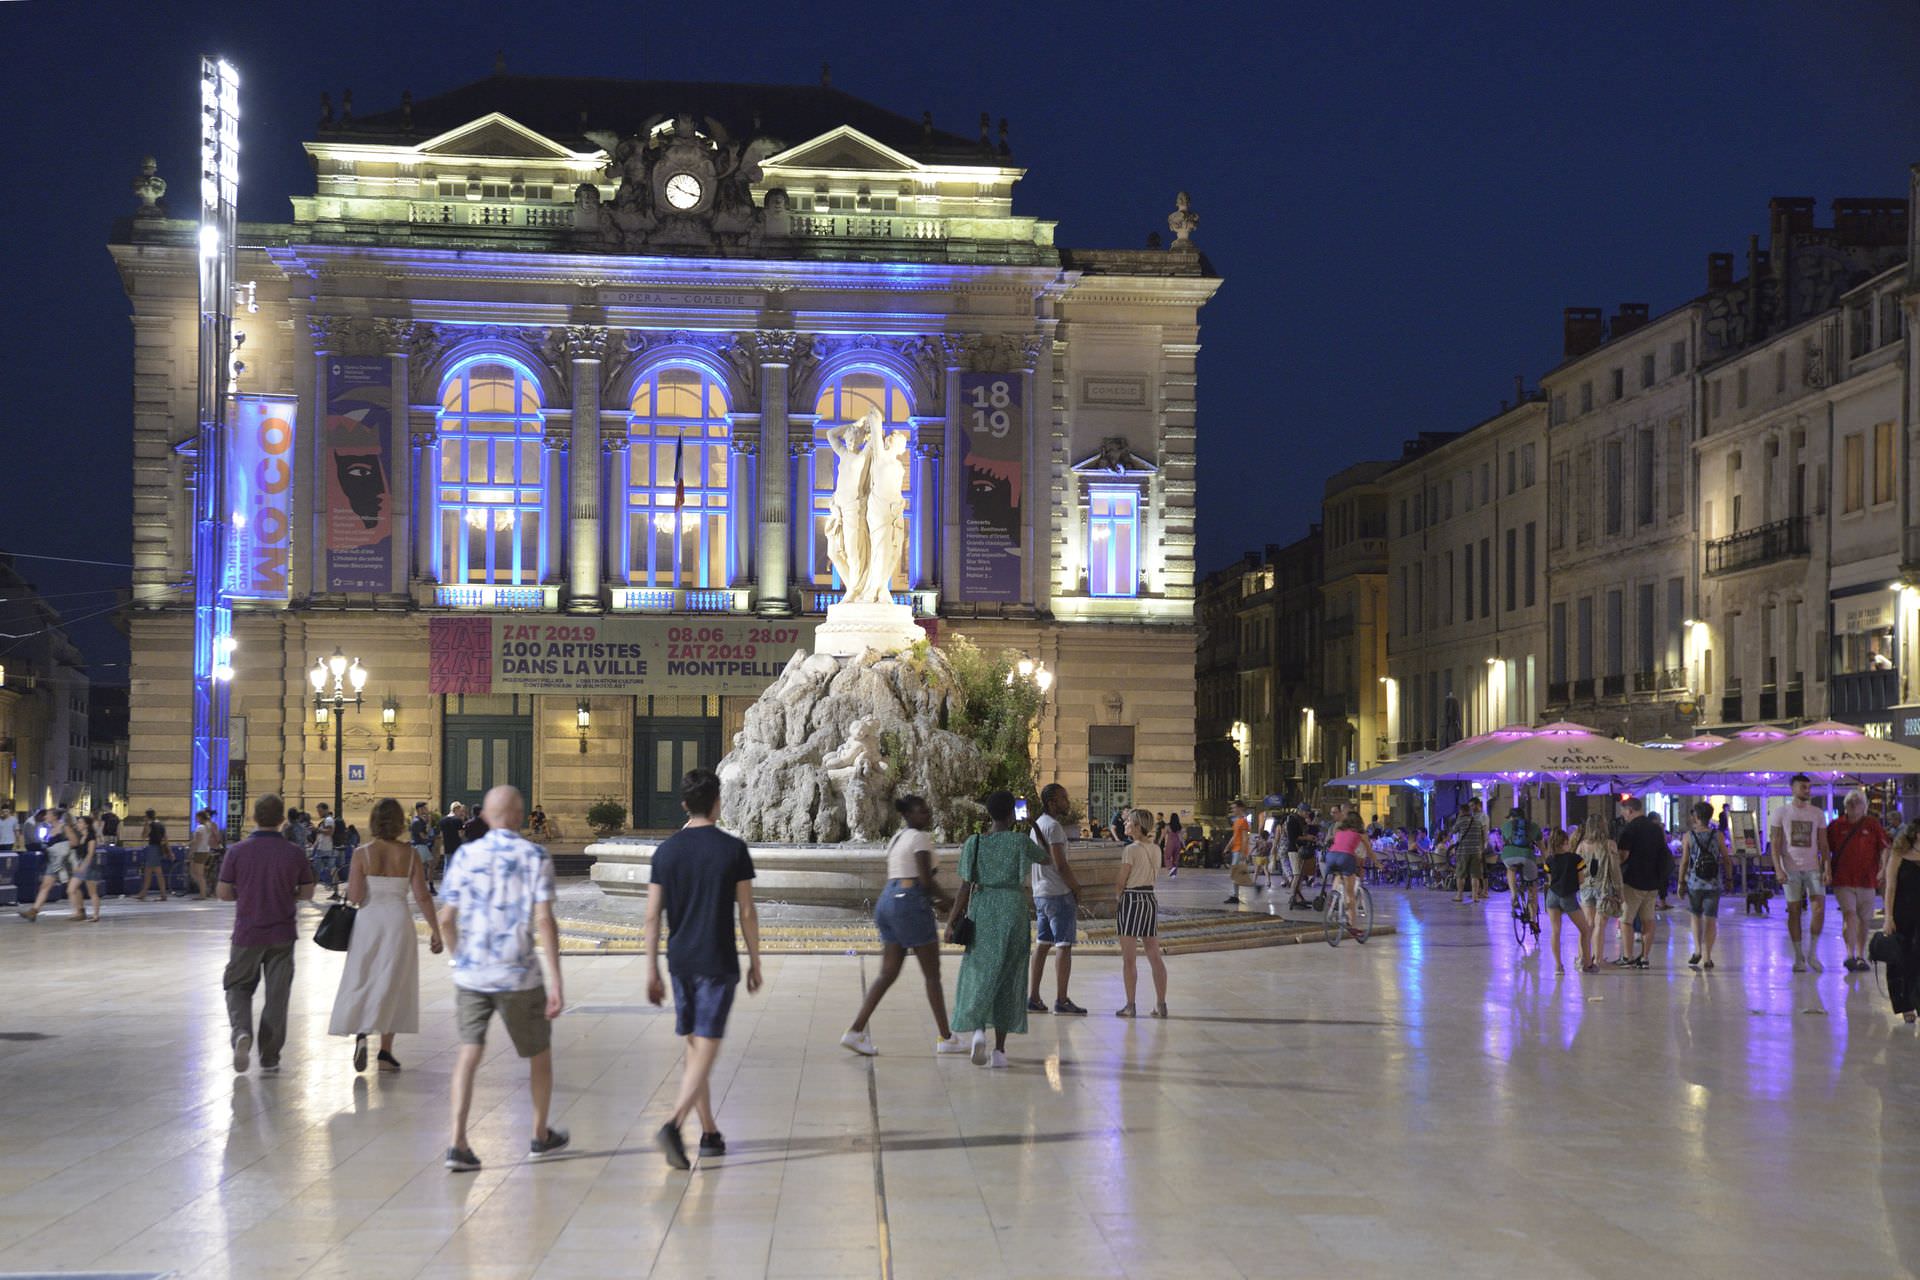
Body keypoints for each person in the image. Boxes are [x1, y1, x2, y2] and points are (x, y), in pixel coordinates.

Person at [438, 785, 568, 1172]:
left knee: (468, 1054)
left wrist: (458, 957)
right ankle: (539, 1134)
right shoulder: (533, 855)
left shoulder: (465, 855)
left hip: (473, 974)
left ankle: (457, 1142)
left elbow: (446, 919)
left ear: (487, 816)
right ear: (519, 814)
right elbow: (544, 920)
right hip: (519, 974)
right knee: (538, 1056)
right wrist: (557, 981)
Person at [645, 768, 761, 1169]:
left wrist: (651, 971)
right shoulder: (733, 849)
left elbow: (650, 917)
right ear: (718, 802)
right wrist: (756, 961)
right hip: (717, 959)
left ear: (683, 804)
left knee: (695, 1048)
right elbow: (746, 911)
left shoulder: (666, 851)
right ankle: (674, 1124)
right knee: (706, 1047)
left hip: (679, 961)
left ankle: (709, 1131)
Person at [841, 794, 965, 1057]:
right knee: (932, 976)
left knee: (887, 974)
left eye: (927, 810)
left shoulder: (897, 838)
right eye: (921, 812)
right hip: (910, 901)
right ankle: (946, 1037)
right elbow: (924, 879)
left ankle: (855, 1031)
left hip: (887, 901)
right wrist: (950, 903)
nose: (927, 815)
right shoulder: (919, 838)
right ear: (908, 815)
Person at [330, 798, 445, 1073]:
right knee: (394, 981)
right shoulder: (410, 855)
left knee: (363, 975)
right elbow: (422, 896)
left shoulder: (361, 853)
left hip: (369, 921)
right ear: (399, 823)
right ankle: (385, 1052)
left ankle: (361, 1031)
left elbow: (356, 897)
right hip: (397, 920)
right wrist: (435, 931)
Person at [947, 789, 1051, 1067]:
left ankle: (979, 1030)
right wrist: (1032, 826)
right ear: (1010, 814)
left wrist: (951, 920)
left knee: (980, 969)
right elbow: (1047, 857)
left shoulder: (975, 843)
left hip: (982, 909)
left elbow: (964, 886)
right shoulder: (1019, 842)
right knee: (1009, 973)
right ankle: (1000, 1051)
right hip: (1012, 909)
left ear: (988, 814)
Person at [218, 794, 317, 1073]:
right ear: (282, 819)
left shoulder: (237, 851)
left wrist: (246, 892)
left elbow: (223, 893)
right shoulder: (294, 852)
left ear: (253, 817)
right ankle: (270, 1056)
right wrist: (288, 893)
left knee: (237, 985)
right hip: (282, 933)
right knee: (277, 995)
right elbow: (308, 891)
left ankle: (241, 1033)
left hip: (247, 932)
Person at [1026, 782, 1086, 1016]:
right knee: (1063, 945)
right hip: (1058, 893)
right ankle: (1062, 1000)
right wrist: (1076, 887)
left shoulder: (1037, 825)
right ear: (1052, 802)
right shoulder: (1053, 827)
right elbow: (1060, 864)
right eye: (1063, 798)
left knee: (1042, 944)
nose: (1067, 801)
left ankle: (1034, 997)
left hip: (1040, 892)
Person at [1768, 773, 1830, 972]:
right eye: (1803, 787)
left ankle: (1812, 953)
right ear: (1792, 788)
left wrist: (1827, 867)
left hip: (1813, 867)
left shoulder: (1817, 813)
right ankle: (1798, 956)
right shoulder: (1781, 812)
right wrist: (1778, 869)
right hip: (1791, 868)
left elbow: (1823, 843)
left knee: (1819, 908)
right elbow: (1775, 844)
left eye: (1808, 787)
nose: (1807, 790)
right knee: (1793, 911)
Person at [1114, 807, 1169, 1017]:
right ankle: (1161, 1004)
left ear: (1137, 827)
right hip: (1149, 900)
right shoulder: (1156, 848)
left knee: (1129, 959)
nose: (1125, 824)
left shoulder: (1131, 849)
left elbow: (1121, 880)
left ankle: (1130, 1005)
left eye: (1128, 822)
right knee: (1154, 954)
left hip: (1132, 899)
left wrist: (1117, 897)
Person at [1827, 789, 1888, 973]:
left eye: (1857, 802)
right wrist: (1826, 871)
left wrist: (1883, 869)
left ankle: (1861, 955)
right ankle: (1849, 954)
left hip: (1867, 880)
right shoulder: (1836, 826)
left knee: (1864, 919)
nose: (1854, 805)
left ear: (1865, 806)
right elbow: (1825, 850)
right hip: (1843, 879)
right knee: (1850, 915)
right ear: (1845, 806)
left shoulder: (1872, 824)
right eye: (1850, 803)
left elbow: (1884, 847)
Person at [1615, 797, 1666, 969]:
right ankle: (1644, 958)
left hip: (1633, 880)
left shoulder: (1629, 829)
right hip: (1653, 881)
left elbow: (1623, 856)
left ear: (1630, 810)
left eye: (1624, 812)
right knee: (1648, 920)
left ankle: (1628, 957)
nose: (1623, 816)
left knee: (1626, 920)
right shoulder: (1656, 829)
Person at [1877, 820, 1920, 1023]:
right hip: (1902, 914)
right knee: (1901, 960)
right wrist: (1888, 917)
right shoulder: (1899, 854)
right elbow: (1890, 888)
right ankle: (1905, 1005)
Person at [1677, 801, 1729, 971]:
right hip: (1713, 883)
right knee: (1711, 920)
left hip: (1694, 882)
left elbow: (1684, 862)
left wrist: (1680, 883)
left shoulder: (1689, 836)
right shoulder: (1718, 835)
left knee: (1695, 917)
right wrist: (1729, 879)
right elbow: (1727, 859)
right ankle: (1707, 957)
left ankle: (1698, 950)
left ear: (1696, 817)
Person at [1541, 827, 1590, 974]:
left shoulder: (1549, 861)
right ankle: (1587, 963)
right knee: (1585, 930)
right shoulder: (1576, 859)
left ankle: (1558, 966)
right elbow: (1581, 880)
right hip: (1568, 896)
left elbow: (1550, 880)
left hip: (1552, 896)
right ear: (1565, 842)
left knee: (1555, 931)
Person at [1575, 814, 1620, 970]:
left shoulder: (1581, 846)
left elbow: (1577, 868)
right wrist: (1619, 890)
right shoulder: (1609, 845)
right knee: (1600, 925)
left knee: (1587, 924)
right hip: (1603, 888)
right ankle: (1598, 959)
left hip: (1585, 887)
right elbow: (1615, 870)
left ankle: (1582, 957)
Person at [1324, 810, 1376, 938]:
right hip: (1346, 858)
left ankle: (1334, 896)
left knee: (1338, 875)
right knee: (1350, 895)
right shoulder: (1360, 834)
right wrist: (1378, 864)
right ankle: (1352, 926)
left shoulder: (1339, 831)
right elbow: (1369, 852)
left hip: (1330, 857)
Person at [17, 814, 76, 922]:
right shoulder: (49, 829)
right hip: (53, 861)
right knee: (45, 886)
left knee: (71, 886)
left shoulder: (64, 827)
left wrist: (61, 848)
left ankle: (79, 910)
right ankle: (34, 911)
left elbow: (74, 842)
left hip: (63, 861)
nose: (46, 817)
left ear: (54, 816)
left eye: (48, 815)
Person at [1498, 804, 1542, 932]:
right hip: (1527, 857)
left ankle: (1514, 895)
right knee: (1532, 888)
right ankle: (1533, 921)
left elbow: (1502, 844)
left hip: (1508, 856)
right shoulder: (1533, 826)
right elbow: (1542, 847)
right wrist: (1546, 861)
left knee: (1510, 868)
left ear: (1512, 817)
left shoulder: (1505, 826)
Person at [1451, 798, 1489, 904]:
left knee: (1460, 874)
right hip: (1476, 851)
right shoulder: (1478, 822)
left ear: (1462, 812)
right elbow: (1483, 836)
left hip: (1463, 851)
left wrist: (1458, 818)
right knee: (1475, 875)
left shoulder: (1461, 821)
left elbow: (1453, 831)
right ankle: (1475, 896)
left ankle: (1459, 895)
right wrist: (1481, 848)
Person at [67, 815, 102, 923]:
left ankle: (95, 915)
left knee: (92, 892)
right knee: (71, 889)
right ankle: (78, 911)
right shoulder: (80, 836)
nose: (78, 824)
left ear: (86, 825)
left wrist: (83, 866)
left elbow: (90, 854)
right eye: (78, 822)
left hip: (90, 865)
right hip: (81, 863)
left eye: (80, 822)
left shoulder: (91, 837)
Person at [1223, 799, 1253, 905]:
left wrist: (1243, 853)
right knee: (1236, 873)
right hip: (1235, 849)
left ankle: (1235, 896)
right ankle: (1235, 895)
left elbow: (1245, 838)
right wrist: (1227, 847)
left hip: (1239, 850)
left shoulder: (1243, 822)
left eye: (1234, 807)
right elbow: (1234, 836)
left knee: (1236, 873)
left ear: (1240, 808)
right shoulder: (1236, 821)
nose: (1233, 810)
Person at [137, 809, 170, 901]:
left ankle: (163, 894)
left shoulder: (150, 825)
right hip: (159, 849)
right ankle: (143, 893)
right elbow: (166, 838)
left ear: (147, 816)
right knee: (148, 872)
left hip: (152, 849)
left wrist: (145, 825)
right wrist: (169, 851)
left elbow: (143, 836)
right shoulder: (161, 825)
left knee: (157, 872)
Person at [188, 808, 221, 899]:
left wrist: (191, 851)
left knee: (198, 874)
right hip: (205, 850)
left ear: (200, 818)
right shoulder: (208, 826)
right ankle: (204, 892)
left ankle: (203, 894)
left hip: (200, 851)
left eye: (197, 817)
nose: (196, 819)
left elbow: (197, 841)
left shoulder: (200, 827)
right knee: (195, 872)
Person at [312, 803, 339, 900]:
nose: (318, 813)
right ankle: (336, 891)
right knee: (332, 870)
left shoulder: (329, 820)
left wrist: (317, 829)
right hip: (325, 848)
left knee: (316, 871)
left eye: (320, 811)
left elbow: (330, 832)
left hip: (325, 849)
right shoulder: (327, 820)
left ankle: (310, 893)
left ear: (325, 810)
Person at [408, 802, 436, 888]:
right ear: (420, 809)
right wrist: (430, 837)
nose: (427, 810)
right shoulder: (417, 822)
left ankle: (423, 885)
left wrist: (428, 821)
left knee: (424, 866)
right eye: (425, 808)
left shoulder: (420, 820)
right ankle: (427, 886)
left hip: (420, 846)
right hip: (420, 845)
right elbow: (423, 836)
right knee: (429, 865)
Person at [438, 801, 466, 881]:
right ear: (456, 809)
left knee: (447, 864)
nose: (461, 812)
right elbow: (461, 834)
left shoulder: (442, 820)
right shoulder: (458, 820)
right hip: (456, 845)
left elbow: (441, 835)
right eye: (460, 810)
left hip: (447, 845)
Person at [1161, 812, 1184, 877]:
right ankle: (1174, 874)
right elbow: (1181, 837)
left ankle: (1170, 867)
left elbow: (1163, 834)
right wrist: (1184, 845)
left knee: (1167, 856)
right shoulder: (1179, 826)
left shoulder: (1168, 826)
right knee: (1176, 858)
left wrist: (1159, 841)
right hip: (1178, 843)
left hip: (1170, 843)